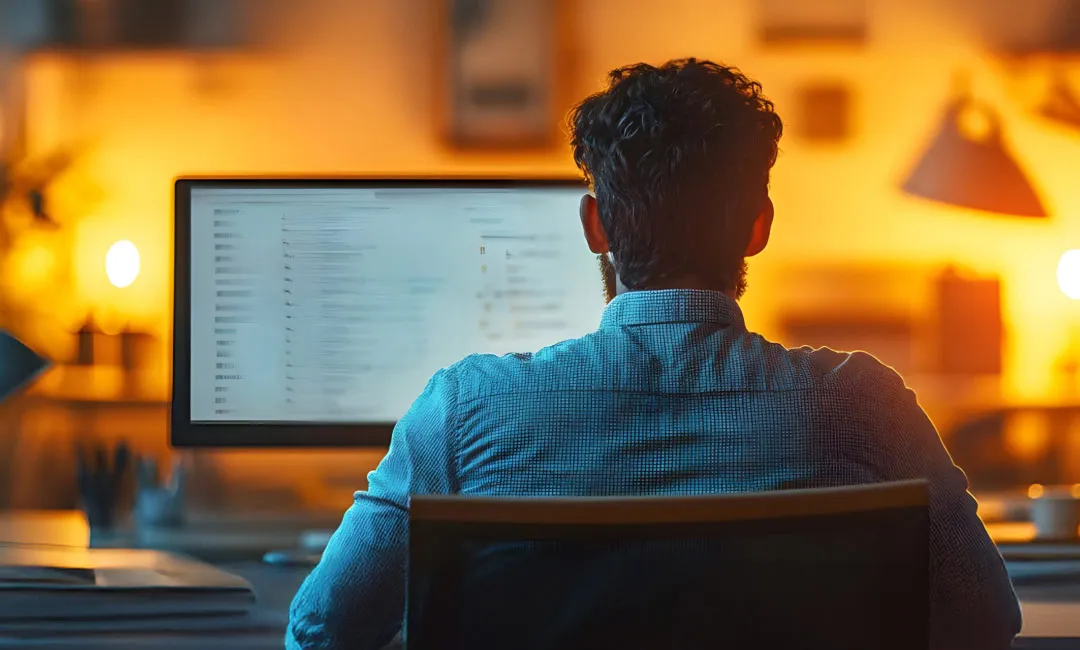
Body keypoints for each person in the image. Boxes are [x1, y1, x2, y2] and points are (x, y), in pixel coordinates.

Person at [286, 58, 1021, 650]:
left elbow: (323, 630)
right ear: (758, 226)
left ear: (596, 226)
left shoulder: (463, 411)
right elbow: (985, 619)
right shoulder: (865, 407)